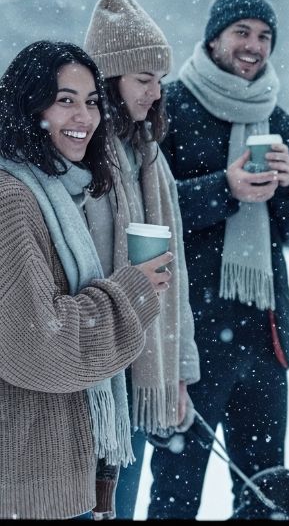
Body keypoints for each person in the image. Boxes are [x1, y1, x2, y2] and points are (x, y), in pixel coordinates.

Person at [147, 0, 289, 518]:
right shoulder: (169, 107)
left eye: (264, 36)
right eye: (241, 33)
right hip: (190, 342)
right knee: (175, 494)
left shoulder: (278, 119)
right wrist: (223, 190)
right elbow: (147, 213)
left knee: (264, 495)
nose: (253, 45)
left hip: (263, 341)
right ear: (214, 38)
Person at [0, 41, 170, 519]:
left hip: (49, 468)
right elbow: (40, 345)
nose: (85, 115)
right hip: (29, 480)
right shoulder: (12, 200)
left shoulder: (56, 191)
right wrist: (131, 293)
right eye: (65, 100)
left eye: (92, 101)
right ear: (29, 108)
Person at [81, 0, 201, 519]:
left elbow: (173, 281)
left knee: (120, 508)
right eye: (143, 79)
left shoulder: (148, 157)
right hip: (94, 373)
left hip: (141, 368)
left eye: (160, 80)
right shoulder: (84, 160)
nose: (155, 92)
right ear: (110, 81)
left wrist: (176, 372)